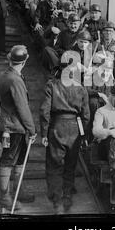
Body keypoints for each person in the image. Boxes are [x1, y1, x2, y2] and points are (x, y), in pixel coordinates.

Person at [40, 62, 90, 211]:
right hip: (74, 127)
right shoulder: (81, 88)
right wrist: (83, 135)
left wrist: (44, 132)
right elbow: (86, 115)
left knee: (54, 164)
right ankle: (67, 196)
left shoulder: (51, 85)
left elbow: (44, 111)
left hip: (57, 126)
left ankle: (57, 200)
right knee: (70, 164)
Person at [0, 45, 37, 210]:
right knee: (8, 160)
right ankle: (4, 197)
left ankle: (17, 190)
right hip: (13, 128)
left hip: (12, 125)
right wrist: (32, 129)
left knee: (20, 159)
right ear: (25, 61)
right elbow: (23, 107)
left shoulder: (5, 75)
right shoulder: (15, 80)